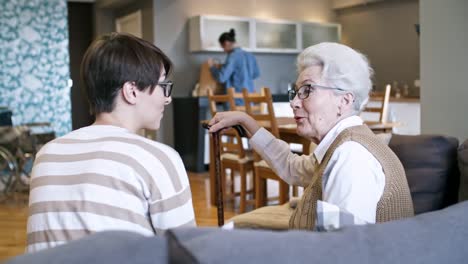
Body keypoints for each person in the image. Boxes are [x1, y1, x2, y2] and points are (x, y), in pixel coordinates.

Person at [209, 42, 414, 231]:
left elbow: (342, 252)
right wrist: (247, 122)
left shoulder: (351, 158)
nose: (294, 102)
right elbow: (293, 168)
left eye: (307, 90)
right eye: (296, 91)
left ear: (344, 100)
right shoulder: (342, 144)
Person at [26, 33, 196, 252]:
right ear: (131, 91)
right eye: (163, 85)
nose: (167, 97)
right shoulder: (158, 158)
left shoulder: (47, 154)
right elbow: (186, 250)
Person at [208, 29, 260, 98]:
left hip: (236, 99)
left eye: (223, 47)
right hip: (249, 96)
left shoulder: (233, 56)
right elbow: (256, 74)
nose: (224, 50)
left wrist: (212, 67)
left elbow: (222, 77)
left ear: (226, 43)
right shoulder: (250, 55)